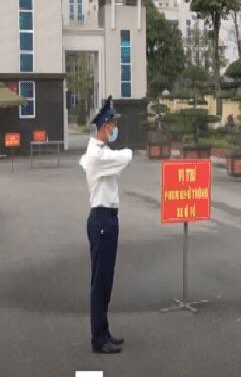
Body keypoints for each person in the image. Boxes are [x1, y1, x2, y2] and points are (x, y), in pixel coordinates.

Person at [80, 96, 133, 354]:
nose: (114, 130)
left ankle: (104, 331)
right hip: (102, 219)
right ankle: (99, 339)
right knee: (101, 282)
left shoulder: (101, 153)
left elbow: (117, 163)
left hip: (107, 218)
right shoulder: (97, 156)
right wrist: (127, 151)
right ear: (104, 127)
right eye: (112, 126)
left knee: (105, 280)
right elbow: (126, 157)